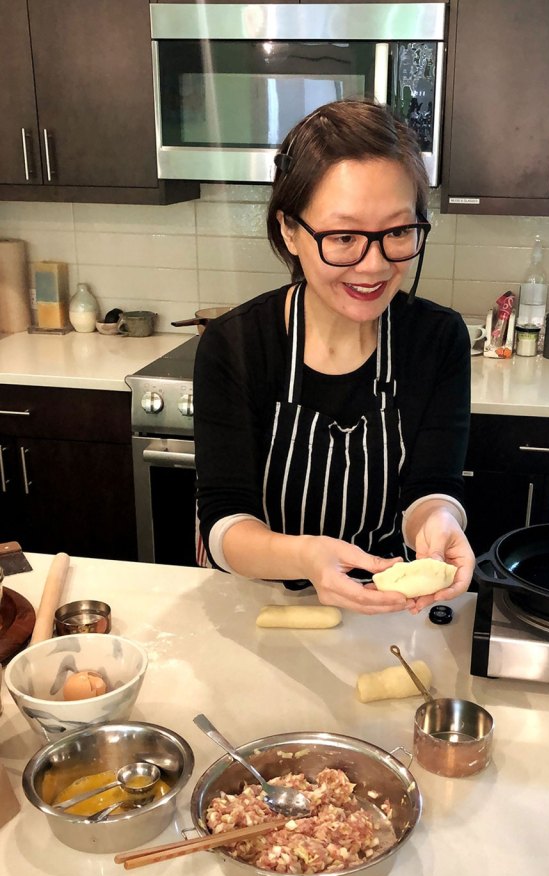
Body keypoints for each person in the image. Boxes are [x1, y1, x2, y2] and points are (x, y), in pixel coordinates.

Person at [194, 99, 473, 614]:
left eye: (397, 232)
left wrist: (440, 521)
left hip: (386, 610)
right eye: (344, 237)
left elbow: (432, 485)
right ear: (289, 230)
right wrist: (306, 558)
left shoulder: (438, 340)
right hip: (261, 607)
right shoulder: (236, 344)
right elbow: (224, 522)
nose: (373, 265)